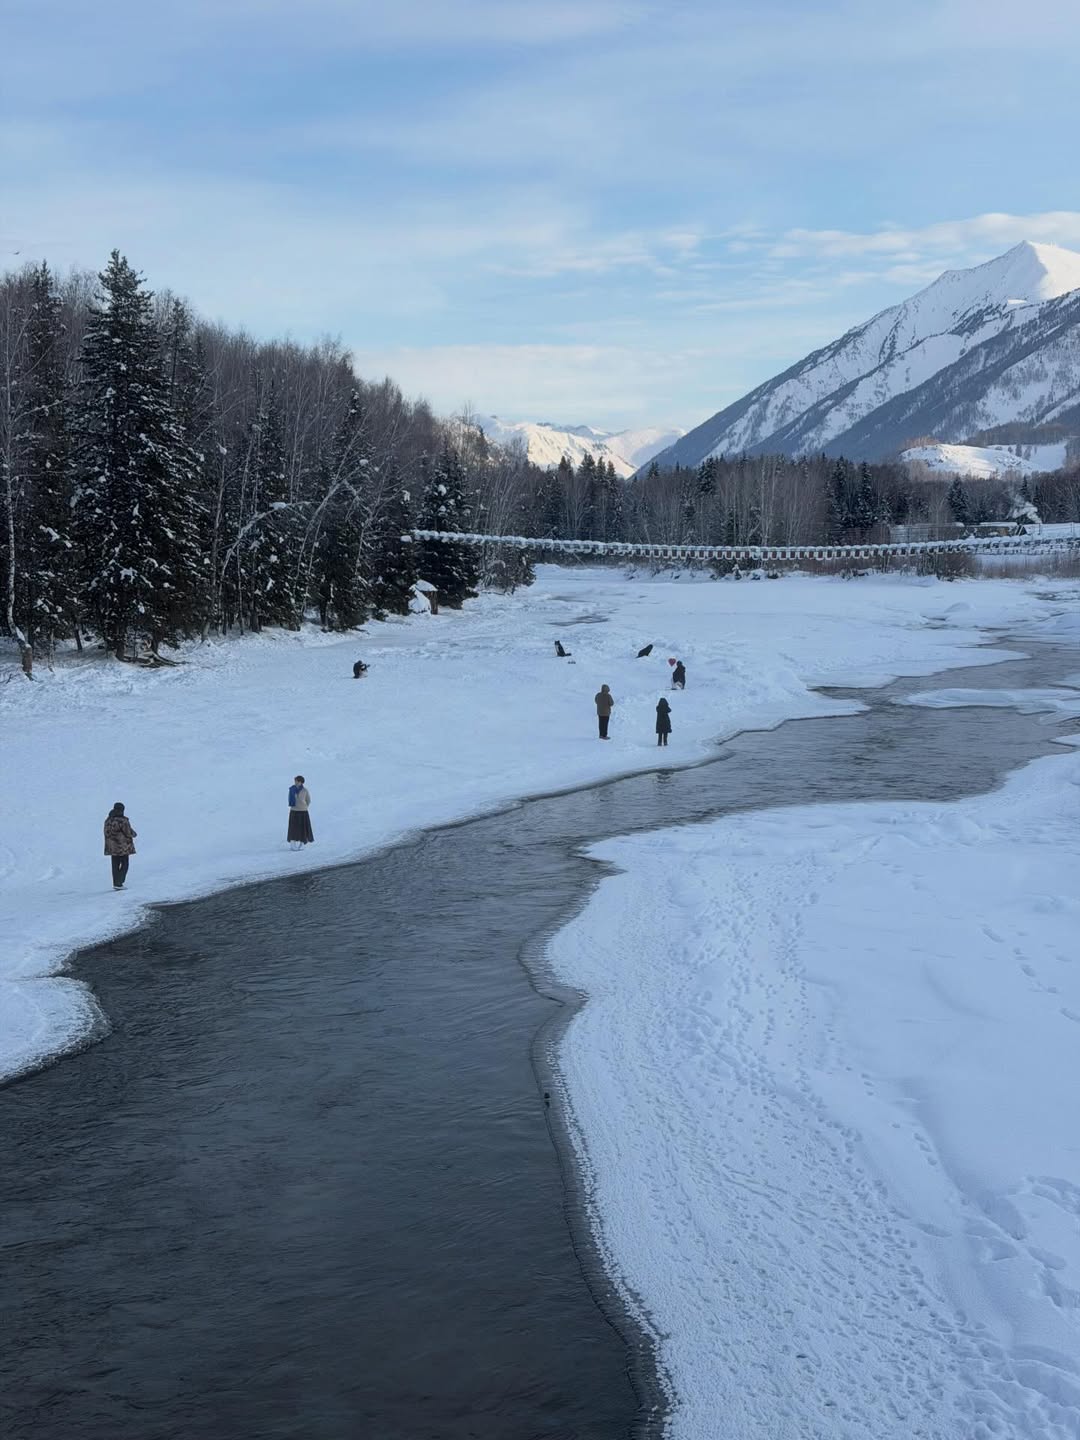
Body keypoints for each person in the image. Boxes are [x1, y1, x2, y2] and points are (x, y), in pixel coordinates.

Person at [103, 802, 137, 889]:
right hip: (122, 847)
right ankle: (119, 882)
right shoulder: (122, 820)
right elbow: (128, 832)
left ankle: (116, 883)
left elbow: (106, 833)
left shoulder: (108, 820)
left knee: (115, 865)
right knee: (125, 864)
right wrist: (134, 834)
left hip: (112, 847)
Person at [288, 775, 313, 848]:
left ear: (300, 782)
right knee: (293, 827)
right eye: (295, 781)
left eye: (296, 781)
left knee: (303, 828)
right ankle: (292, 843)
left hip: (303, 812)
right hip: (294, 811)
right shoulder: (292, 789)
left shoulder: (305, 790)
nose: (295, 782)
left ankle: (302, 843)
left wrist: (304, 807)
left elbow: (308, 800)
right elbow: (289, 799)